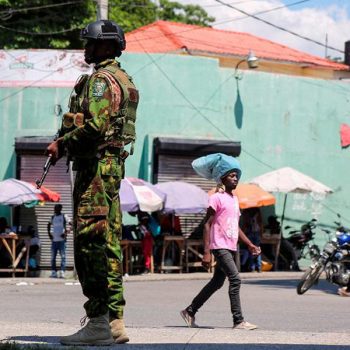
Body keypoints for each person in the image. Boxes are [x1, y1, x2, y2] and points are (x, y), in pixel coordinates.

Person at [46, 19, 138, 346]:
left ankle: (98, 320)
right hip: (111, 167)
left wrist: (63, 143)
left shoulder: (100, 80)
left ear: (108, 46)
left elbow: (96, 126)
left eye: (90, 43)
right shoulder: (123, 78)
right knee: (109, 242)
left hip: (96, 168)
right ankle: (114, 321)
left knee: (90, 243)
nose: (85, 49)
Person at [181, 153, 260, 330]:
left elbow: (236, 226)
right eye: (231, 175)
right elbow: (207, 225)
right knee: (235, 279)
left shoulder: (235, 200)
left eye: (236, 175)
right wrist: (207, 252)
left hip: (231, 246)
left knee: (217, 282)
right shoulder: (216, 198)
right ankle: (238, 320)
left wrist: (250, 244)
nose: (235, 179)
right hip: (219, 246)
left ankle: (190, 311)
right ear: (222, 178)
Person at [47, 204, 70, 278]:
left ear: (60, 209)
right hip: (54, 241)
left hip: (62, 241)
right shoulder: (53, 217)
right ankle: (54, 272)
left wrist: (66, 233)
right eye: (54, 208)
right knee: (53, 257)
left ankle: (62, 272)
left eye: (56, 208)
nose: (55, 210)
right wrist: (49, 234)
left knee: (63, 257)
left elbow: (71, 224)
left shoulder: (64, 216)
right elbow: (48, 225)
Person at [242, 208, 263, 272]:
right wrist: (261, 234)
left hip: (250, 233)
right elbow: (260, 223)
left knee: (251, 250)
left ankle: (252, 267)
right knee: (257, 249)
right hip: (256, 233)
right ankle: (258, 267)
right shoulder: (257, 211)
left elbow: (245, 223)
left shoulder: (246, 211)